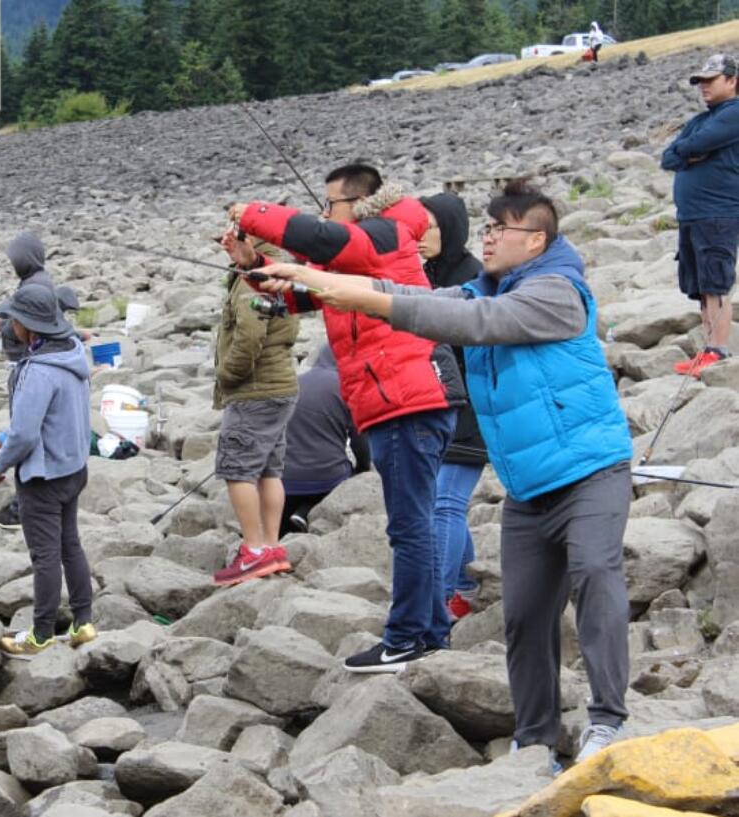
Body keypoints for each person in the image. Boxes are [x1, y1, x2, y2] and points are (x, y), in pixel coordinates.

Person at [272, 180, 633, 768]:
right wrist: (301, 279)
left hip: (592, 470)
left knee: (595, 572)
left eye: (499, 230)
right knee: (523, 616)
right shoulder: (488, 285)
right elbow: (406, 290)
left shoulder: (556, 292)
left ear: (536, 239)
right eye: (485, 228)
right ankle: (536, 738)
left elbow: (470, 321)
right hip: (527, 486)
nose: (486, 238)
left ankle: (607, 721)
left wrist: (350, 291)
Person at [226, 162, 466, 673]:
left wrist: (252, 213)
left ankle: (405, 638)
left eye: (331, 204)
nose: (325, 214)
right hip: (401, 399)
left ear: (357, 203)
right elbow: (302, 294)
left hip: (407, 399)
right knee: (414, 519)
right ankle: (430, 633)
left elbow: (320, 238)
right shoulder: (369, 246)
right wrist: (252, 267)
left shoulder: (381, 233)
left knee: (409, 525)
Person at [0, 285, 96, 658]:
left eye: (14, 319)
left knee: (44, 555)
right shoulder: (72, 352)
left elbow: (26, 434)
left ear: (28, 325)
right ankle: (83, 623)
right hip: (73, 469)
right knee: (69, 545)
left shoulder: (37, 371)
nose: (10, 324)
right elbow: (37, 423)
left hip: (43, 479)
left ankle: (40, 635)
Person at [0, 232, 87, 530]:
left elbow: (8, 321)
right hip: (30, 362)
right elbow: (7, 314)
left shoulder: (37, 286)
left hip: (32, 363)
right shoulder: (33, 283)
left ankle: (19, 508)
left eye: (15, 257)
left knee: (29, 423)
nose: (12, 262)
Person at [419, 192, 491, 625]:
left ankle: (437, 605)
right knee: (439, 501)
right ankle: (464, 588)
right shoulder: (426, 273)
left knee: (444, 503)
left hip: (471, 407)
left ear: (452, 229)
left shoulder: (473, 280)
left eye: (430, 226)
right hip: (437, 405)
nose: (420, 235)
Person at [208, 260, 299, 586]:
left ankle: (254, 550)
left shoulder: (252, 281)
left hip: (255, 391)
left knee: (237, 470)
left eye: (233, 235)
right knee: (269, 469)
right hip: (280, 387)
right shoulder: (283, 270)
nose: (225, 243)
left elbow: (249, 334)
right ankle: (272, 547)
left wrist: (226, 374)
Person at [661, 54, 739, 376]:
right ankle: (707, 351)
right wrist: (688, 152)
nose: (704, 86)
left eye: (711, 80)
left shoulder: (734, 114)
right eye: (701, 81)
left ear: (733, 80)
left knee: (715, 283)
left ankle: (718, 352)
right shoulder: (700, 119)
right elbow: (669, 156)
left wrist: (690, 151)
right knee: (699, 285)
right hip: (692, 214)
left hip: (718, 212)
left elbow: (696, 145)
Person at [280, 345, 370, 538]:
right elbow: (359, 441)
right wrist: (363, 468)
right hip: (326, 479)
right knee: (344, 474)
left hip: (284, 479)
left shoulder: (295, 382)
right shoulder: (349, 389)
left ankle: (287, 526)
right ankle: (306, 511)